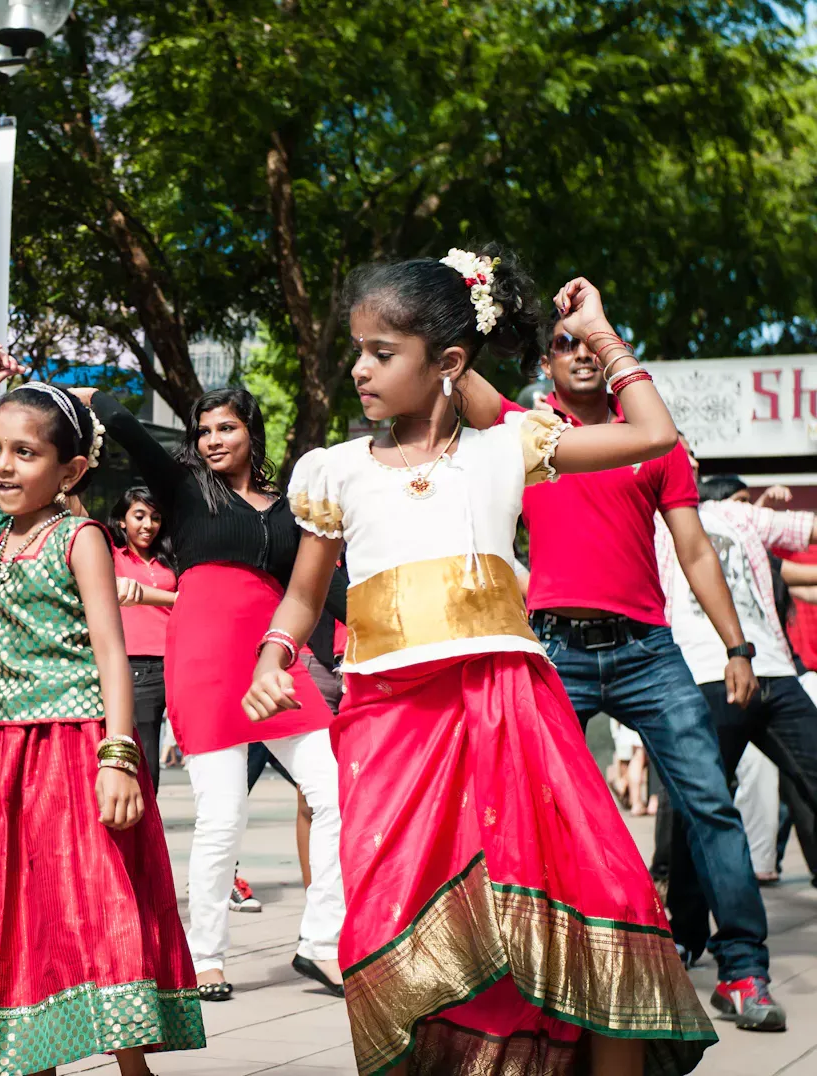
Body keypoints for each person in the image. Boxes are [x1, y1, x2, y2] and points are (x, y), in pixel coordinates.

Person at [245, 253, 714, 1074]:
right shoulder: (334, 471)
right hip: (391, 728)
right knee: (399, 926)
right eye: (356, 349)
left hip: (511, 710)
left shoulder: (510, 447)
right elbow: (303, 598)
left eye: (383, 352)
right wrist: (273, 655)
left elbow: (651, 434)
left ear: (448, 364)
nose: (359, 368)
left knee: (599, 895)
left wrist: (600, 335)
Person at [0, 345, 204, 1075]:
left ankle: (132, 1064)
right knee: (11, 914)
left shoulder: (80, 538)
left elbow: (112, 652)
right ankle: (29, 1054)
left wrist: (121, 756)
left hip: (78, 747)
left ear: (72, 471)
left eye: (25, 453)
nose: (2, 466)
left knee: (99, 904)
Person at [493, 313, 785, 1031]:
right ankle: (530, 965)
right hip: (557, 648)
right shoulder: (522, 435)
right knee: (526, 805)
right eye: (565, 344)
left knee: (710, 805)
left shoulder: (654, 443)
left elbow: (694, 552)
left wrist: (737, 648)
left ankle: (742, 973)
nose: (581, 354)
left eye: (592, 343)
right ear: (544, 364)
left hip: (648, 652)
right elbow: (456, 374)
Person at [77, 382, 346, 1000]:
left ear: (251, 431)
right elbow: (128, 428)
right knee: (223, 815)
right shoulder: (184, 488)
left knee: (334, 791)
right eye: (204, 432)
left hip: (276, 663)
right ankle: (207, 958)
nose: (213, 440)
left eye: (226, 428)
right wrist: (86, 395)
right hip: (202, 660)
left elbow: (317, 587)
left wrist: (357, 638)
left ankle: (321, 943)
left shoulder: (289, 509)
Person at [656, 473, 817, 956]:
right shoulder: (649, 520)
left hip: (772, 668)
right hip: (704, 672)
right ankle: (686, 933)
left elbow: (802, 529)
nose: (681, 460)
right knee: (701, 808)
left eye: (688, 455)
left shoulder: (736, 515)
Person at [109, 487, 178, 792]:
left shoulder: (169, 558)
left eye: (155, 517)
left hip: (177, 661)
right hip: (138, 665)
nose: (148, 524)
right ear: (122, 521)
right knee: (147, 751)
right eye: (139, 516)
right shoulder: (111, 555)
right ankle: (145, 824)